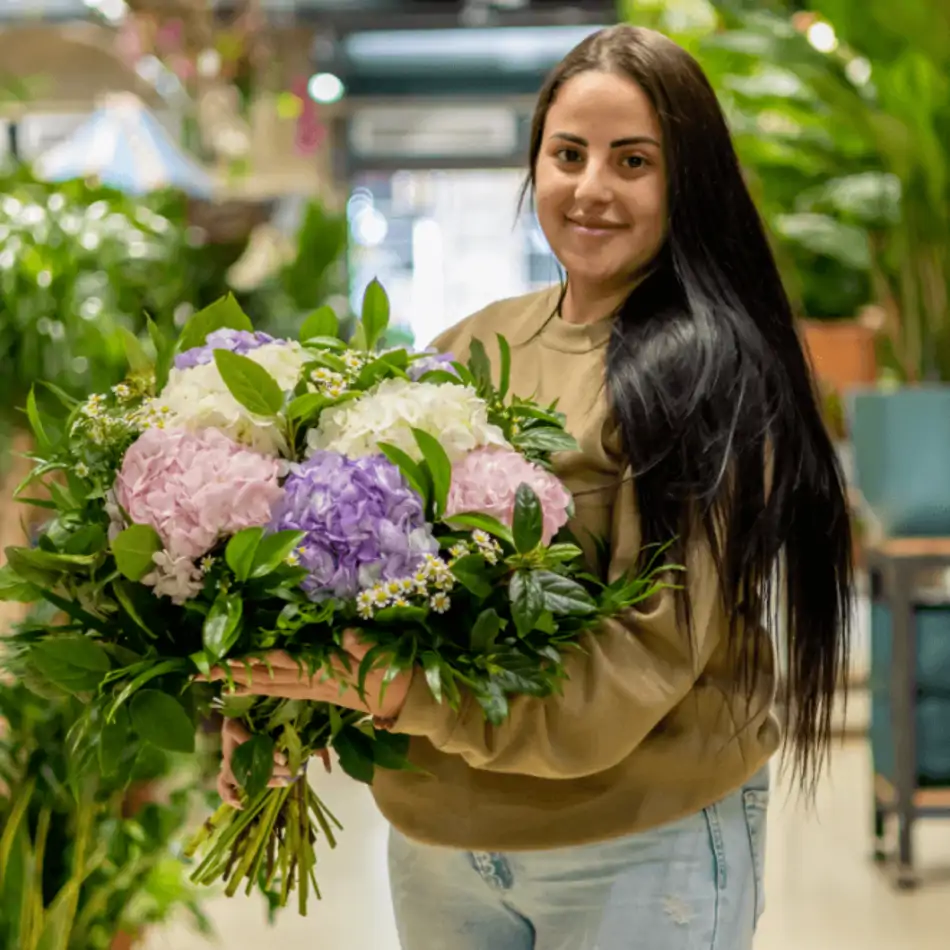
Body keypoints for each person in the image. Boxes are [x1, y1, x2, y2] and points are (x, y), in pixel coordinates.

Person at [214, 24, 853, 950]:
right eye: (569, 154)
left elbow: (643, 659)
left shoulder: (706, 375)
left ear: (688, 183)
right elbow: (366, 579)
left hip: (635, 847)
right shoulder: (471, 346)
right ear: (535, 165)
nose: (592, 188)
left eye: (633, 161)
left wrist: (395, 692)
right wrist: (285, 706)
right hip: (440, 847)